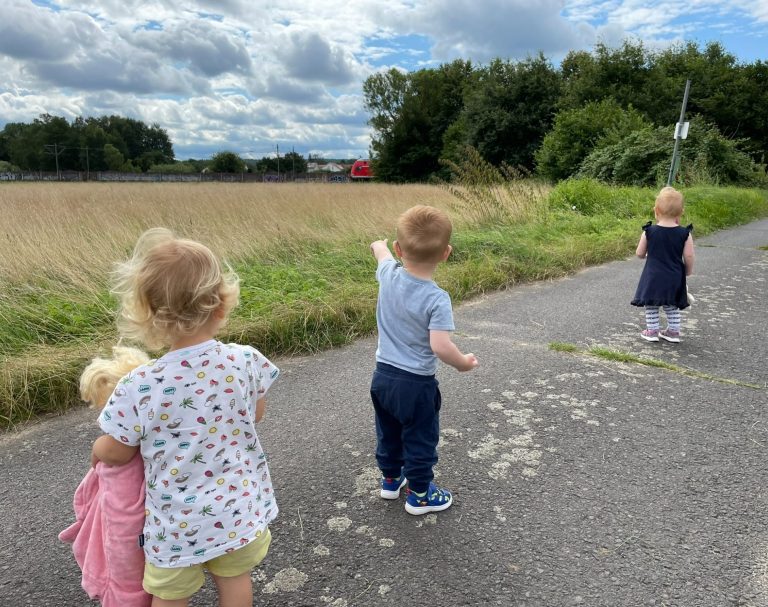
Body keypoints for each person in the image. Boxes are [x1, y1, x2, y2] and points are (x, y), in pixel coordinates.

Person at [92, 228, 280, 607]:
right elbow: (254, 413)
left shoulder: (140, 385)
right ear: (223, 304)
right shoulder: (245, 360)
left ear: (146, 313)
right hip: (236, 509)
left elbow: (116, 451)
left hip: (176, 523)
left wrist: (98, 449)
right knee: (235, 581)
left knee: (170, 594)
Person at [369, 205, 479, 516]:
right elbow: (440, 346)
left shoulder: (388, 275)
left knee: (388, 430)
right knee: (419, 437)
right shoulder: (436, 298)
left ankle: (390, 480)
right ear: (446, 253)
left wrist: (377, 244)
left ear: (398, 248)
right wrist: (463, 363)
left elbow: (380, 252)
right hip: (416, 384)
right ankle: (420, 495)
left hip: (382, 377)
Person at [60, 346, 153, 607]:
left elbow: (107, 457)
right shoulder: (162, 428)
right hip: (161, 523)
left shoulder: (112, 444)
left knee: (128, 580)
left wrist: (98, 446)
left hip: (126, 526)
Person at [631, 187, 695, 343]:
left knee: (651, 304)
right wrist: (688, 271)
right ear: (681, 212)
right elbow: (689, 255)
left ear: (656, 210)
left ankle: (652, 331)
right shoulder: (685, 234)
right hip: (674, 275)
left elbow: (639, 253)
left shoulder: (649, 231)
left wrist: (647, 254)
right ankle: (673, 332)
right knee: (671, 304)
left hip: (653, 275)